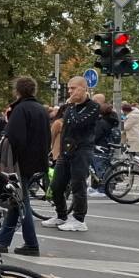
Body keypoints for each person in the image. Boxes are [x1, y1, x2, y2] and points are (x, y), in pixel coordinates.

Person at [0, 77, 49, 257]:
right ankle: (2, 240)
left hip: (20, 162)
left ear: (17, 91)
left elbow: (15, 138)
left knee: (21, 201)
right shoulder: (41, 109)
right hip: (37, 161)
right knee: (17, 199)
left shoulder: (20, 109)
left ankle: (31, 243)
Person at [44, 76, 100, 233]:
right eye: (69, 88)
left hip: (82, 150)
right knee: (56, 186)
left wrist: (70, 105)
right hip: (66, 151)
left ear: (83, 88)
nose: (70, 91)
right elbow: (63, 128)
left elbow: (78, 123)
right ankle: (61, 215)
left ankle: (79, 219)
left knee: (78, 185)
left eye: (73, 88)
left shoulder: (93, 107)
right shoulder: (70, 108)